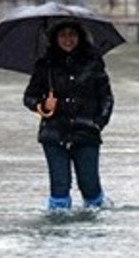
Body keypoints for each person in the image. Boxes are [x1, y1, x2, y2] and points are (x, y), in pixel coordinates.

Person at [23, 21, 115, 212]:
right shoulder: (45, 66)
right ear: (55, 39)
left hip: (86, 132)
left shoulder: (93, 63)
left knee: (90, 186)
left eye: (72, 34)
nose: (67, 40)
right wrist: (42, 105)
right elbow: (29, 97)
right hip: (54, 133)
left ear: (80, 37)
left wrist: (98, 123)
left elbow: (106, 97)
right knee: (59, 185)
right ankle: (59, 231)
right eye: (62, 35)